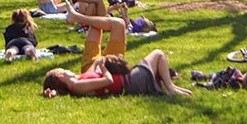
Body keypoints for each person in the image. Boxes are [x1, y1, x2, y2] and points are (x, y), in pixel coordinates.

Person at [42, 50, 191, 97]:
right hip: (130, 82)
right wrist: (104, 68)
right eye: (64, 70)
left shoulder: (79, 79)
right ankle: (171, 88)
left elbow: (93, 68)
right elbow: (108, 80)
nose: (67, 70)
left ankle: (171, 87)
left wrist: (100, 61)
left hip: (129, 81)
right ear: (61, 77)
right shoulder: (77, 85)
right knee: (158, 54)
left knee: (156, 60)